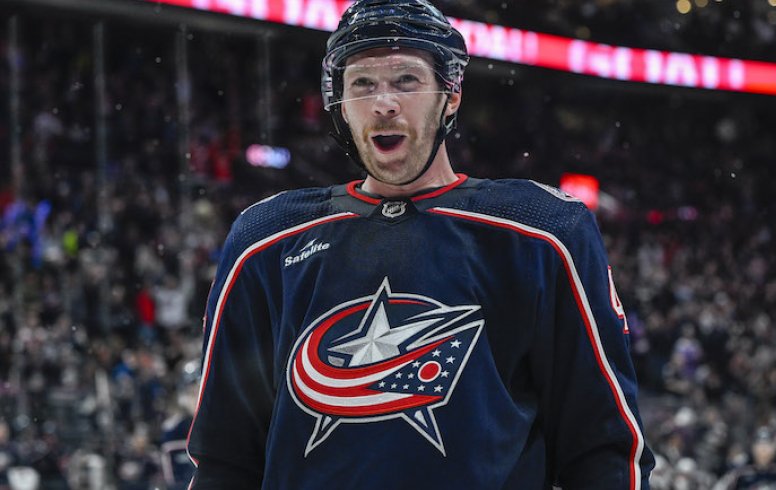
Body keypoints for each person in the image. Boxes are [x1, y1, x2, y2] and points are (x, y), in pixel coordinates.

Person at [186, 0, 654, 488]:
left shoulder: (542, 231)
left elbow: (603, 445)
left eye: (406, 81)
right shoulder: (266, 240)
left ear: (450, 96)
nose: (383, 102)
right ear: (341, 106)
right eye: (363, 84)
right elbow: (224, 457)